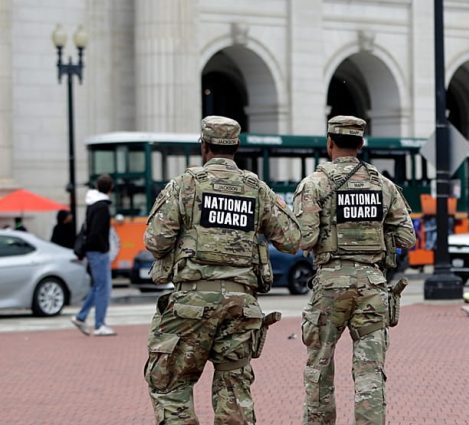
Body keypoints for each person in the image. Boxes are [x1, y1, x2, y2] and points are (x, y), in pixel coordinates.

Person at [142, 116, 301, 424]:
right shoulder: (257, 188)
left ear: (204, 147)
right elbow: (292, 239)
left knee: (169, 385)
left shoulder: (185, 184)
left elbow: (155, 240)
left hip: (192, 305)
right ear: (236, 147)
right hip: (241, 307)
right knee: (233, 391)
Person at [295, 115, 416, 425]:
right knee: (370, 373)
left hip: (331, 283)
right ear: (361, 144)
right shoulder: (383, 185)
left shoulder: (315, 184)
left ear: (329, 143)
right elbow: (407, 237)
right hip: (373, 285)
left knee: (319, 365)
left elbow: (304, 238)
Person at [71, 174, 116, 336]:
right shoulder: (102, 207)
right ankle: (99, 324)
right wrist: (104, 249)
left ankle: (81, 317)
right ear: (110, 188)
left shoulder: (92, 204)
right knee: (103, 288)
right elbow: (96, 233)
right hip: (98, 252)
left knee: (98, 286)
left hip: (92, 251)